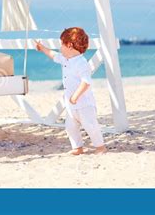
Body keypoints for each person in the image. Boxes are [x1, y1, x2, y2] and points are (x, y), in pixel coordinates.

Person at [35, 27, 107, 155]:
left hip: (84, 105)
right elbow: (54, 55)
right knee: (70, 127)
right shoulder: (65, 59)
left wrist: (75, 96)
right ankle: (77, 148)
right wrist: (42, 48)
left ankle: (100, 147)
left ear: (69, 45)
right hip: (71, 106)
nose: (60, 47)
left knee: (91, 126)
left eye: (62, 44)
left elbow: (86, 82)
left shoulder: (81, 63)